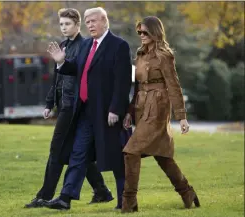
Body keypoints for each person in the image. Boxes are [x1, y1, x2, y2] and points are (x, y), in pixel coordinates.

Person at [24, 8, 113, 209]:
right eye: (62, 24)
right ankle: (102, 191)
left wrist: (63, 61)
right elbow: (57, 80)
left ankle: (44, 196)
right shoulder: (63, 45)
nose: (64, 27)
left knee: (56, 149)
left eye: (67, 24)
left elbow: (78, 73)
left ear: (77, 25)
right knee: (78, 152)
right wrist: (49, 103)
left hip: (75, 107)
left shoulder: (84, 46)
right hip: (64, 104)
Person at [45, 7, 132, 210]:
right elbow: (76, 68)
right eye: (87, 21)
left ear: (105, 21)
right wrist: (61, 62)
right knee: (78, 153)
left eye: (93, 21)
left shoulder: (118, 45)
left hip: (107, 112)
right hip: (85, 111)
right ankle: (65, 198)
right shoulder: (87, 46)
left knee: (117, 158)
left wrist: (116, 109)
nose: (90, 25)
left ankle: (124, 201)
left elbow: (123, 81)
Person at [121, 16, 200, 213]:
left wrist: (181, 116)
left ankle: (128, 201)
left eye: (145, 32)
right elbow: (137, 86)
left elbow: (174, 86)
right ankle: (187, 192)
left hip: (157, 109)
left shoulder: (165, 56)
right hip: (141, 107)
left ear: (156, 32)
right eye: (139, 32)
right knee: (162, 156)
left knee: (131, 151)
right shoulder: (140, 55)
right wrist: (130, 111)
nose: (141, 35)